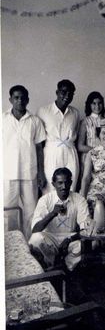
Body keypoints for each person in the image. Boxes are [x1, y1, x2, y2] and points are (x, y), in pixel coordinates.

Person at [3, 85, 46, 239]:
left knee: (31, 212)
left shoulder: (35, 121)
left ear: (28, 100)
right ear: (10, 100)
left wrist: (41, 172)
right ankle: (10, 245)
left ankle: (31, 245)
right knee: (8, 212)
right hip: (8, 173)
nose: (20, 100)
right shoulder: (2, 119)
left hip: (29, 173)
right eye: (16, 97)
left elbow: (40, 149)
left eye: (23, 98)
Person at [29, 167, 91, 270]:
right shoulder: (45, 200)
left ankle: (66, 267)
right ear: (53, 184)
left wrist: (69, 239)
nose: (64, 186)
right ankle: (52, 265)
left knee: (85, 245)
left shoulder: (79, 199)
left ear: (71, 183)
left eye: (66, 183)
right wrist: (52, 213)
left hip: (70, 238)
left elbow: (85, 230)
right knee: (35, 239)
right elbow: (35, 230)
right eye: (60, 183)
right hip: (50, 239)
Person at [37, 79, 80, 193]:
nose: (67, 96)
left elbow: (76, 135)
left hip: (70, 153)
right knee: (50, 189)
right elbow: (39, 144)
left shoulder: (75, 113)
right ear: (57, 92)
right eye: (64, 92)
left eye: (70, 93)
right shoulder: (43, 111)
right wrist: (40, 170)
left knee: (70, 187)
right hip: (51, 154)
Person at [80, 118, 105, 231]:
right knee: (98, 202)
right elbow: (86, 178)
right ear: (98, 134)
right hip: (96, 189)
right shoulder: (92, 153)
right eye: (103, 133)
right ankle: (97, 238)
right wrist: (82, 198)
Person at [77, 91, 105, 176]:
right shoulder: (85, 122)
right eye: (94, 103)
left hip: (104, 158)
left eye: (100, 103)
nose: (97, 106)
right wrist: (97, 151)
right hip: (88, 158)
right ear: (89, 105)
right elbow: (80, 146)